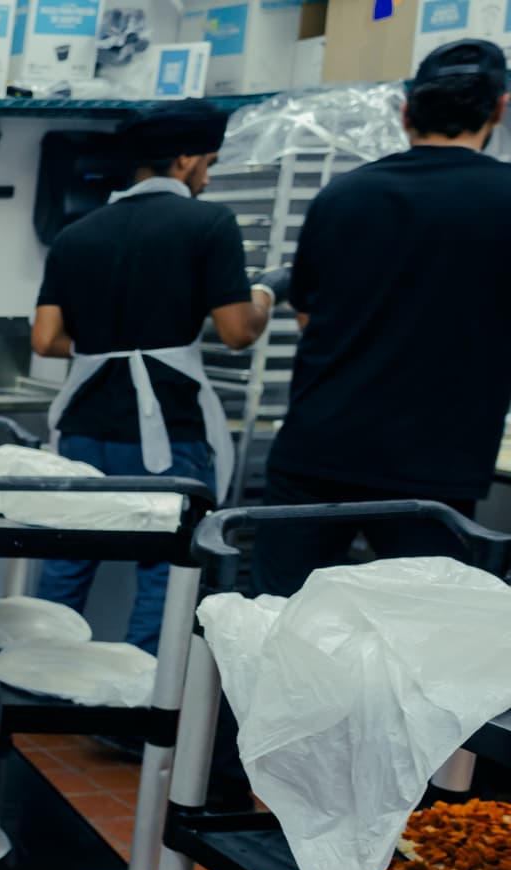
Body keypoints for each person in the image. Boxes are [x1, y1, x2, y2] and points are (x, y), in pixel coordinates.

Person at [251, 38, 511, 595]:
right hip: (434, 471)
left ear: (406, 112)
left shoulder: (343, 195)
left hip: (317, 454)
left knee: (277, 632)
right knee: (421, 649)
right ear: (500, 109)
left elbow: (306, 317)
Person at [27, 99, 275, 652]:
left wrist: (106, 348)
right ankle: (141, 709)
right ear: (185, 160)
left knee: (67, 556)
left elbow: (45, 339)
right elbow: (237, 330)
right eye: (207, 163)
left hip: (85, 426)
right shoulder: (209, 223)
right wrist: (264, 294)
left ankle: (33, 693)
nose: (207, 177)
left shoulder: (77, 233)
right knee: (164, 569)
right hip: (168, 429)